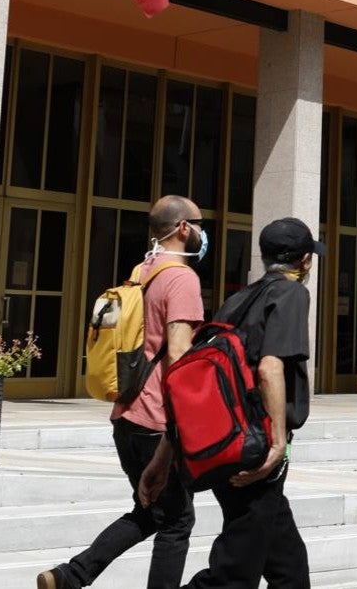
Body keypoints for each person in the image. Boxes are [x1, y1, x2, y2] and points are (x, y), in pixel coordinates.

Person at [39, 195, 205, 589]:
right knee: (177, 522)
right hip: (157, 420)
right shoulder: (181, 277)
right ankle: (71, 576)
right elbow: (179, 356)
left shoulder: (142, 271)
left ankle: (69, 576)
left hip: (126, 415)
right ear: (183, 227)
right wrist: (185, 422)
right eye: (199, 223)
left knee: (150, 511)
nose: (202, 231)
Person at [143, 217, 319, 588]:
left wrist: (164, 458)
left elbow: (201, 386)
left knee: (288, 568)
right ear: (304, 261)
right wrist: (277, 443)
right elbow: (271, 367)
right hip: (256, 449)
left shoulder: (236, 301)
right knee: (234, 573)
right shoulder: (291, 294)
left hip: (223, 442)